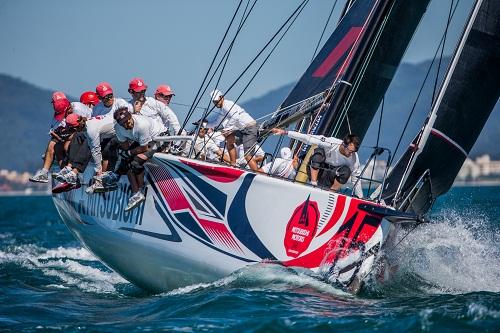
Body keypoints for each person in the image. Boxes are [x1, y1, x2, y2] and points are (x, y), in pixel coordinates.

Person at [271, 128, 363, 198]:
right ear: (343, 144)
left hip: (330, 176)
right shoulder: (331, 143)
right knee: (318, 151)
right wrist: (286, 132)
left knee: (346, 171)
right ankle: (313, 185)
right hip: (316, 170)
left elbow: (356, 178)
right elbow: (308, 138)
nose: (351, 154)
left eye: (353, 152)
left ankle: (330, 194)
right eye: (350, 151)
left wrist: (360, 198)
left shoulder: (354, 158)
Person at [113, 107, 166, 211]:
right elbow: (125, 146)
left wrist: (129, 152)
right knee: (126, 160)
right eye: (122, 123)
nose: (125, 125)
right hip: (143, 141)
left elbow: (144, 148)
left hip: (158, 138)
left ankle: (141, 190)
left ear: (131, 117)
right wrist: (127, 154)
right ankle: (135, 192)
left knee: (136, 162)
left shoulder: (141, 125)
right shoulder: (118, 128)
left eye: (127, 121)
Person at [30, 92, 81, 182]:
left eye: (64, 113)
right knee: (53, 144)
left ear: (69, 107)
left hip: (81, 136)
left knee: (65, 146)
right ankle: (45, 173)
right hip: (67, 136)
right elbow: (55, 134)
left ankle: (71, 174)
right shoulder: (57, 117)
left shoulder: (79, 109)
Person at [207, 89, 259, 171]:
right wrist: (205, 124)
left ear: (222, 97)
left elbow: (236, 117)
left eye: (217, 101)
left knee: (247, 156)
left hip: (250, 129)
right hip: (243, 130)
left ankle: (258, 175)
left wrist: (227, 128)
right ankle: (233, 165)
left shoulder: (227, 105)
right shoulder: (223, 109)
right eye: (214, 102)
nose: (216, 104)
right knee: (229, 140)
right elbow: (217, 122)